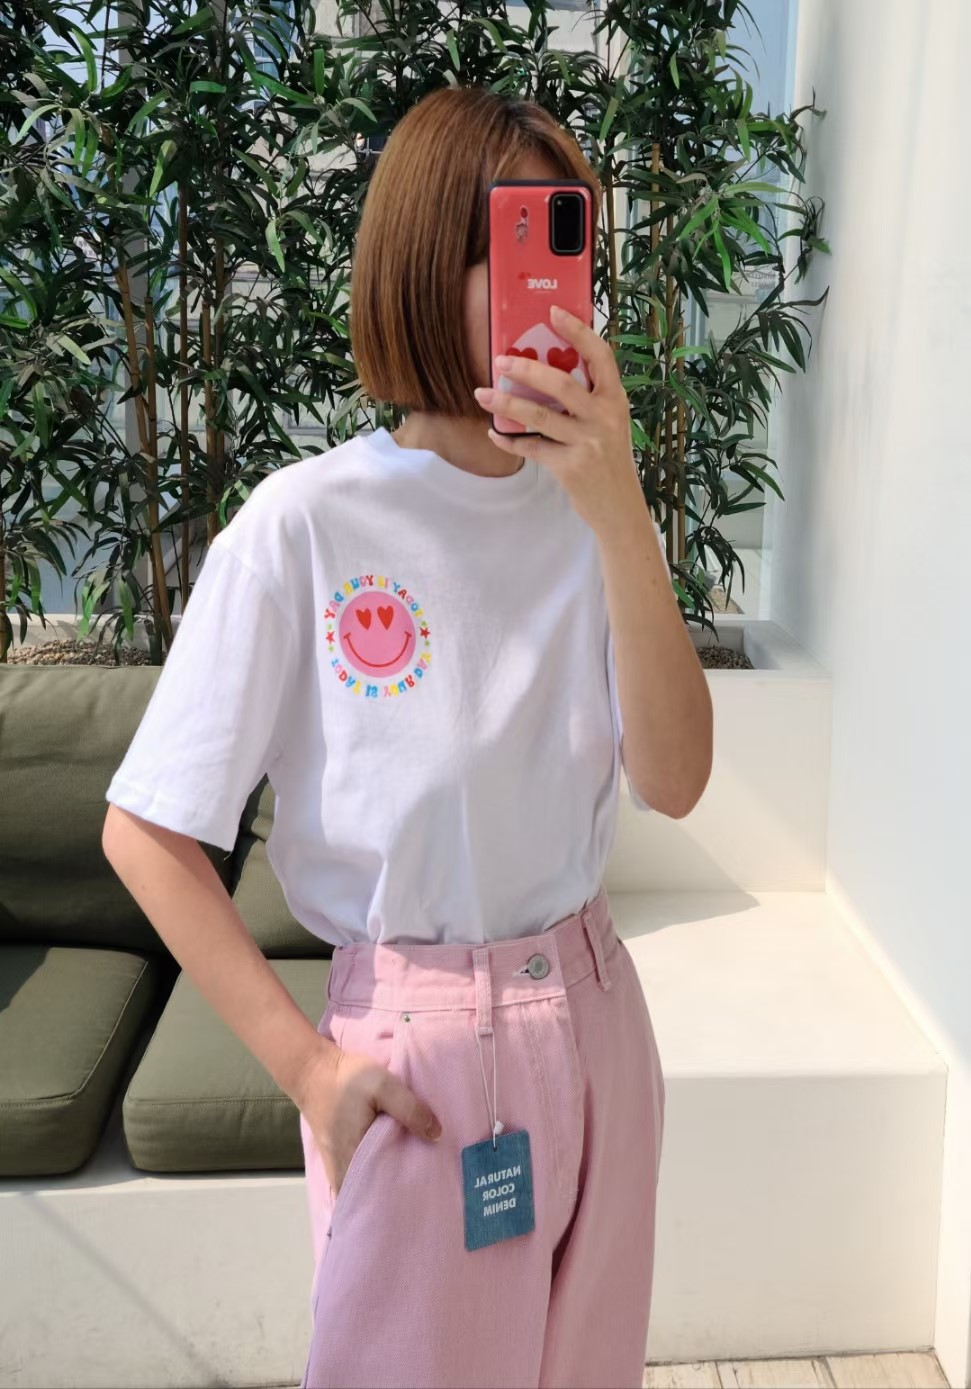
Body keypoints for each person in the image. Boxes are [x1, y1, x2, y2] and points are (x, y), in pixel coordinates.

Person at [102, 85, 712, 1389]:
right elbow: (144, 830)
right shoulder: (305, 526)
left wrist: (623, 513)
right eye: (519, 242)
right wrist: (309, 1070)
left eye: (569, 242)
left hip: (599, 1022)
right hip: (421, 1064)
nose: (555, 290)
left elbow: (675, 778)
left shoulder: (595, 512)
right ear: (429, 264)